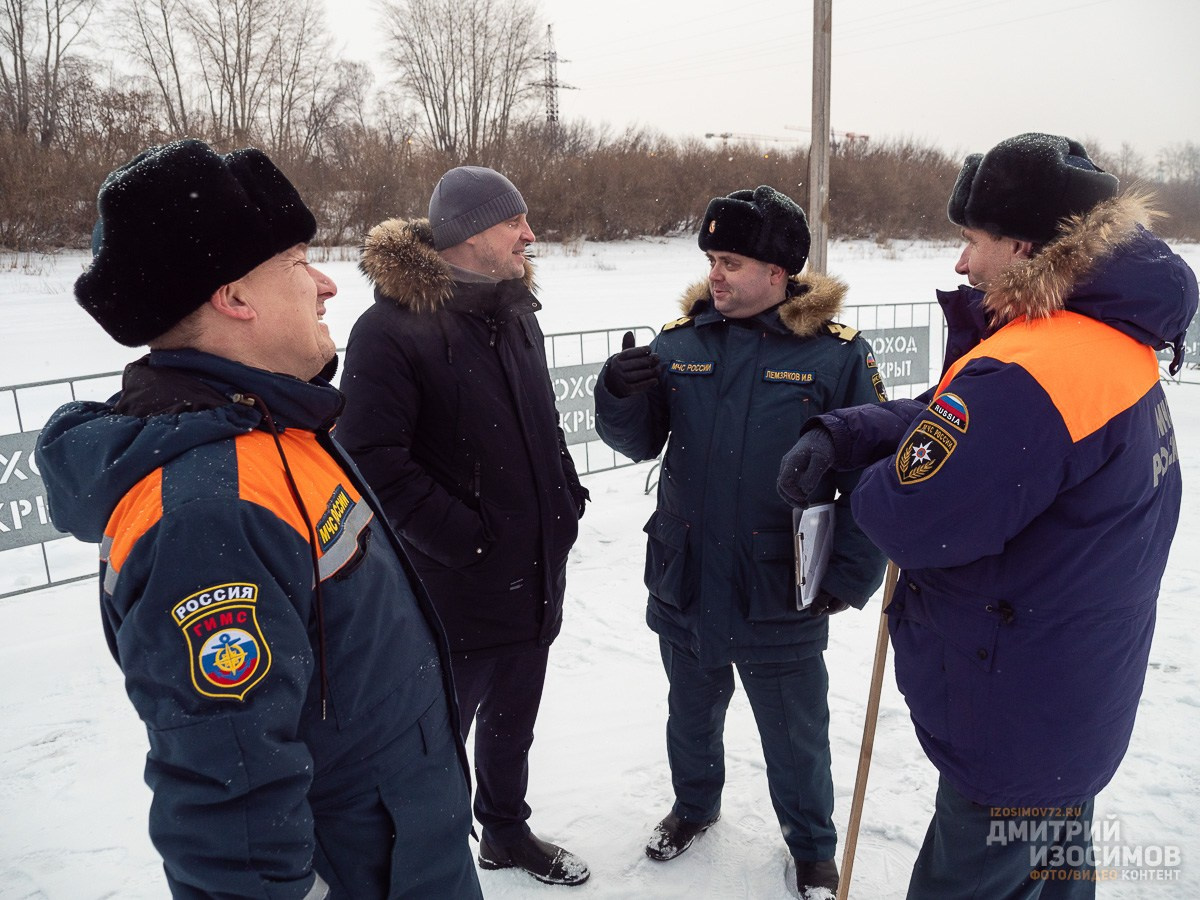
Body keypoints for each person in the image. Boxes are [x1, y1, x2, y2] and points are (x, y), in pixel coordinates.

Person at [35, 140, 483, 899]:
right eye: (300, 262)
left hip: (404, 847)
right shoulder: (213, 507)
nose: (327, 284)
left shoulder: (276, 428)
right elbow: (229, 815)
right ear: (235, 298)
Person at [778, 133, 1199, 897]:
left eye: (971, 241)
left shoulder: (1032, 370)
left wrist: (869, 474)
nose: (961, 263)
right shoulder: (1100, 340)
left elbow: (910, 513)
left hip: (1014, 718)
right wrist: (849, 428)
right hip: (1071, 705)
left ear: (1024, 244)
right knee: (1054, 872)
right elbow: (971, 425)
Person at [593, 185, 888, 899]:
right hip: (686, 574)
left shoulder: (834, 357)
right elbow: (637, 443)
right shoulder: (681, 340)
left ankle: (814, 848)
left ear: (777, 275)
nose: (714, 274)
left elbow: (872, 476)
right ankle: (694, 808)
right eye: (711, 258)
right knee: (690, 713)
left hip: (777, 583)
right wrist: (618, 394)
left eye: (730, 261)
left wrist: (850, 573)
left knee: (795, 735)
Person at [335, 166, 591, 887]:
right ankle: (425, 866)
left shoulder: (515, 312)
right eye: (517, 222)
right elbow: (372, 463)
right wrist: (467, 539)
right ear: (473, 233)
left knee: (514, 726)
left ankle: (505, 833)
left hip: (533, 572)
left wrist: (564, 502)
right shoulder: (389, 330)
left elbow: (544, 426)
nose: (530, 235)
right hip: (453, 591)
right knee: (430, 746)